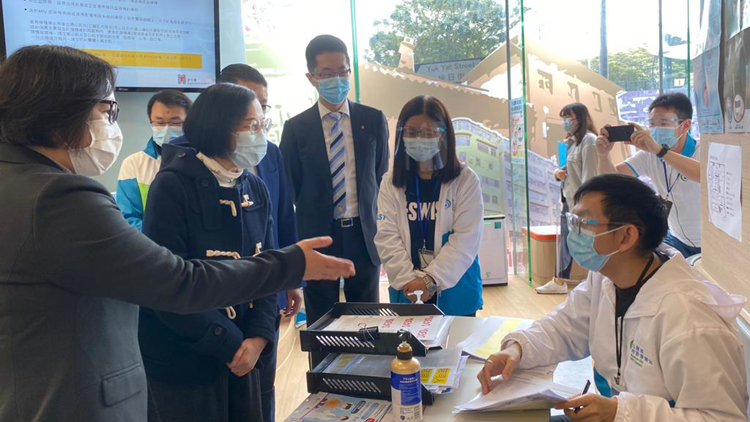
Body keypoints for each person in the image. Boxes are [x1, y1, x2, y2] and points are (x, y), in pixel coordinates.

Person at [0, 45, 355, 422]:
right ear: (62, 113)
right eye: (107, 110)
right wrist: (290, 264)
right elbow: (177, 281)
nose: (112, 124)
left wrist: (259, 333)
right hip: (97, 391)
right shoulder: (61, 197)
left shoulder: (18, 180)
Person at [478, 174, 748, 422]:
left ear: (626, 236)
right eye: (572, 221)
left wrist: (621, 412)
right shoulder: (606, 277)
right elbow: (565, 326)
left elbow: (721, 418)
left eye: (583, 223)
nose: (573, 232)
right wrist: (518, 349)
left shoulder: (689, 318)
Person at [139, 83, 279, 422]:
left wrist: (259, 336)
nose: (260, 135)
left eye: (263, 124)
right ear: (220, 127)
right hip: (187, 357)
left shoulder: (254, 186)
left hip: (246, 350)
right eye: (252, 125)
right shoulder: (172, 185)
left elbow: (269, 267)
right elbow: (166, 285)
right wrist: (229, 343)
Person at [280, 35, 389, 325]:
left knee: (367, 321)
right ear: (311, 78)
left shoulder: (373, 120)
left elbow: (380, 175)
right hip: (317, 237)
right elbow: (290, 188)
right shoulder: (296, 129)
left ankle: (365, 357)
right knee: (322, 321)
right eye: (327, 74)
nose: (336, 79)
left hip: (363, 235)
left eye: (342, 71)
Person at [214, 63, 300, 422]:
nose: (259, 115)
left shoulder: (270, 152)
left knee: (264, 386)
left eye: (263, 107)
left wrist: (292, 277)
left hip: (267, 295)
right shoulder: (184, 161)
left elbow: (283, 218)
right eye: (250, 106)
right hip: (218, 303)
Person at [374, 96, 484, 316]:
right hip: (407, 290)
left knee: (456, 339)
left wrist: (430, 281)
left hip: (456, 291)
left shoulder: (465, 180)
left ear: (443, 134)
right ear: (402, 135)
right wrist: (411, 282)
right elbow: (387, 237)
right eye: (412, 132)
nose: (419, 138)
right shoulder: (390, 182)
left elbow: (465, 240)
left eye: (428, 132)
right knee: (409, 340)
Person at [597, 92, 701, 258]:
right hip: (675, 238)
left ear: (685, 125)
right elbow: (612, 180)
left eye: (664, 123)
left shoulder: (702, 150)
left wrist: (659, 151)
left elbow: (704, 175)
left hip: (708, 241)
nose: (655, 129)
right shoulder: (649, 154)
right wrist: (603, 155)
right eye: (652, 123)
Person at [537, 103, 599, 294]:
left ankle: (594, 283)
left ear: (580, 118)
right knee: (566, 241)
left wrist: (585, 205)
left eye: (568, 118)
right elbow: (568, 170)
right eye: (563, 118)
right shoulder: (572, 142)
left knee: (586, 242)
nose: (565, 122)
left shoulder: (589, 141)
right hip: (568, 199)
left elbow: (590, 176)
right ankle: (559, 281)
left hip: (581, 203)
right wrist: (557, 174)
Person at [116, 90, 192, 230]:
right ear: (151, 122)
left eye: (175, 122)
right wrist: (159, 236)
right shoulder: (134, 164)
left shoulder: (204, 161)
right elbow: (127, 219)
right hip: (147, 241)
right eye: (160, 123)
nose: (167, 128)